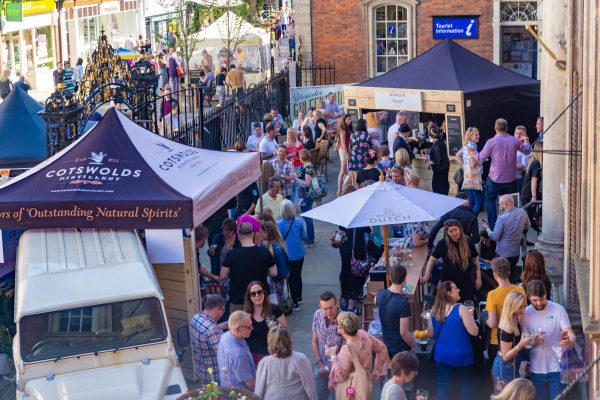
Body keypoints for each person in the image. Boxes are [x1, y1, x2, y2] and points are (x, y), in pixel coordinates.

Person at [522, 280, 576, 400]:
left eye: (542, 299)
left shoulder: (558, 310)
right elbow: (525, 343)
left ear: (546, 294)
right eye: (535, 300)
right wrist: (534, 341)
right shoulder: (526, 313)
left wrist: (568, 339)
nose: (539, 303)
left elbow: (571, 334)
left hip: (558, 368)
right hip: (536, 370)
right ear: (528, 297)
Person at [427, 281, 479, 400]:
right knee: (466, 388)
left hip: (441, 355)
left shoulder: (434, 310)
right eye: (455, 289)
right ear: (449, 293)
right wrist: (471, 317)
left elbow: (431, 333)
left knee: (443, 389)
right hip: (462, 355)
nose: (459, 290)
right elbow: (474, 331)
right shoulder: (462, 309)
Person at [478, 118, 532, 229]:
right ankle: (509, 226)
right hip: (511, 180)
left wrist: (472, 156)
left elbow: (480, 158)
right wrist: (526, 142)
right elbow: (527, 151)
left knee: (490, 200)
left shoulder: (491, 142)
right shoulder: (514, 141)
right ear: (507, 128)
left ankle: (493, 227)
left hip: (494, 180)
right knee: (510, 204)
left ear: (495, 128)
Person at [326, 312, 390, 399]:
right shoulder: (363, 334)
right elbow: (382, 348)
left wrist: (332, 356)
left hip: (352, 389)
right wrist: (376, 371)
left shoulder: (347, 349)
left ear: (341, 329)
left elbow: (340, 375)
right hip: (366, 383)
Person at [220, 222, 278, 312]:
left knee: (238, 325)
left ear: (238, 235)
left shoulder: (231, 254)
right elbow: (274, 273)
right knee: (261, 324)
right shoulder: (264, 252)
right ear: (253, 234)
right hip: (259, 297)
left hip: (238, 299)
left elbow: (223, 275)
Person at [421, 219, 481, 302]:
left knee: (468, 307)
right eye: (451, 231)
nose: (454, 233)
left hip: (466, 282)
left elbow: (475, 259)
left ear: (460, 228)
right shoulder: (442, 243)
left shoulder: (468, 241)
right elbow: (431, 260)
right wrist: (426, 276)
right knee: (449, 308)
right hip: (449, 284)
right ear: (447, 233)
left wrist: (478, 277)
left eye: (455, 229)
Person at [485, 257, 526, 372]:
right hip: (516, 336)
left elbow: (492, 323)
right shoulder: (520, 290)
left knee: (498, 375)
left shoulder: (492, 295)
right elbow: (523, 315)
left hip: (496, 340)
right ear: (509, 271)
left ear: (494, 274)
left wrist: (484, 318)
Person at [255, 326, 317, 400]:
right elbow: (309, 386)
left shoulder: (264, 362)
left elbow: (259, 389)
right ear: (289, 339)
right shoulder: (301, 359)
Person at [482, 194, 530, 280]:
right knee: (511, 275)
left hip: (502, 254)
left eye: (500, 204)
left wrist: (487, 228)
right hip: (515, 253)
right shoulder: (523, 212)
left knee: (502, 278)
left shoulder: (502, 218)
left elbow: (494, 237)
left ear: (505, 204)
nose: (499, 206)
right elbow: (527, 227)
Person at [376, 265, 417, 358]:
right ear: (404, 280)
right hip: (401, 348)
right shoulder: (403, 303)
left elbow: (375, 300)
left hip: (386, 344)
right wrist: (414, 345)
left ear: (390, 278)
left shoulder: (381, 294)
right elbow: (404, 332)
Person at [243, 281, 288, 365]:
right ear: (249, 297)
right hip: (252, 356)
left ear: (264, 293)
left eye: (259, 292)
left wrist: (276, 328)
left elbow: (285, 329)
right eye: (253, 294)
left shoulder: (274, 309)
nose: (257, 296)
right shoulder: (246, 313)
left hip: (271, 355)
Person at [492, 291, 529, 389]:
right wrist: (521, 344)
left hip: (509, 366)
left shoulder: (512, 319)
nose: (524, 309)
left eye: (524, 306)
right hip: (505, 367)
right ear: (512, 306)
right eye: (520, 307)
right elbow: (505, 356)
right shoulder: (508, 326)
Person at [311, 291, 344, 400]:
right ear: (320, 307)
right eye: (325, 309)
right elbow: (314, 341)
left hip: (339, 371)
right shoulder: (317, 315)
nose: (328, 311)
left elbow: (346, 349)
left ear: (337, 304)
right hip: (320, 367)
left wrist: (329, 367)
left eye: (331, 307)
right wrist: (320, 364)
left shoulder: (344, 320)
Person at [277, 200, 308, 311]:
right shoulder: (299, 222)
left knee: (291, 278)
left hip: (286, 254)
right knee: (298, 275)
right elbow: (305, 237)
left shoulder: (279, 224)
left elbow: (278, 239)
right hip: (299, 253)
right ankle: (299, 297)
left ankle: (295, 302)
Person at [190, 294, 226, 383]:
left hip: (201, 371)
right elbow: (222, 355)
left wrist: (221, 326)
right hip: (215, 376)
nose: (223, 313)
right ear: (217, 308)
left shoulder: (195, 318)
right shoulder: (212, 330)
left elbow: (206, 333)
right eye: (223, 310)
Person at [217, 311, 257, 390]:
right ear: (237, 329)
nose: (252, 328)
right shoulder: (238, 355)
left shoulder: (226, 335)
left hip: (227, 386)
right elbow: (250, 383)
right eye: (249, 327)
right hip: (240, 394)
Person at [339, 218, 371, 313]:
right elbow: (369, 230)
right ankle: (351, 304)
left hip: (345, 251)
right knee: (356, 278)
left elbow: (340, 232)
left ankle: (344, 300)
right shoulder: (361, 220)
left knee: (345, 275)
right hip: (357, 252)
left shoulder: (344, 219)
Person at [456, 127, 484, 214]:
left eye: (478, 134)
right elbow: (472, 164)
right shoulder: (472, 148)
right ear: (470, 136)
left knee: (471, 202)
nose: (478, 136)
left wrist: (463, 165)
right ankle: (471, 220)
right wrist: (480, 161)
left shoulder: (465, 146)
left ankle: (467, 219)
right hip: (474, 177)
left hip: (468, 177)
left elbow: (457, 156)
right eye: (476, 135)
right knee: (479, 202)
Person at [292, 149, 316, 246]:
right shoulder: (307, 166)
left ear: (302, 157)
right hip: (304, 195)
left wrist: (297, 179)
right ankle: (310, 237)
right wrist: (292, 166)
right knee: (306, 217)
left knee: (307, 217)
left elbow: (307, 184)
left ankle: (310, 238)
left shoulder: (307, 168)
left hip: (306, 196)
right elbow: (298, 176)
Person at [521, 142, 543, 226]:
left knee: (528, 217)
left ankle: (536, 218)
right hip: (529, 193)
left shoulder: (533, 161)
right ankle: (536, 218)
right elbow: (533, 180)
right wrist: (534, 197)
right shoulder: (537, 163)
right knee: (529, 218)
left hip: (527, 191)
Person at [348, 118, 375, 186]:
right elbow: (372, 146)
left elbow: (350, 147)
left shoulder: (353, 135)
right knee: (363, 175)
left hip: (354, 157)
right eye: (366, 124)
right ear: (364, 125)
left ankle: (357, 190)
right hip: (363, 157)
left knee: (356, 175)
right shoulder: (367, 135)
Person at [428, 124, 450, 195]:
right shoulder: (441, 142)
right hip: (444, 172)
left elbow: (438, 160)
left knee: (438, 192)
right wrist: (430, 158)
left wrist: (431, 162)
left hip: (439, 174)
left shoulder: (436, 145)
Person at [514, 126, 530, 193]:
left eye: (520, 134)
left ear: (525, 135)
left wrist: (509, 165)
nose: (518, 135)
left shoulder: (527, 147)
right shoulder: (511, 145)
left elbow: (525, 166)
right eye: (516, 133)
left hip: (518, 179)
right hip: (506, 178)